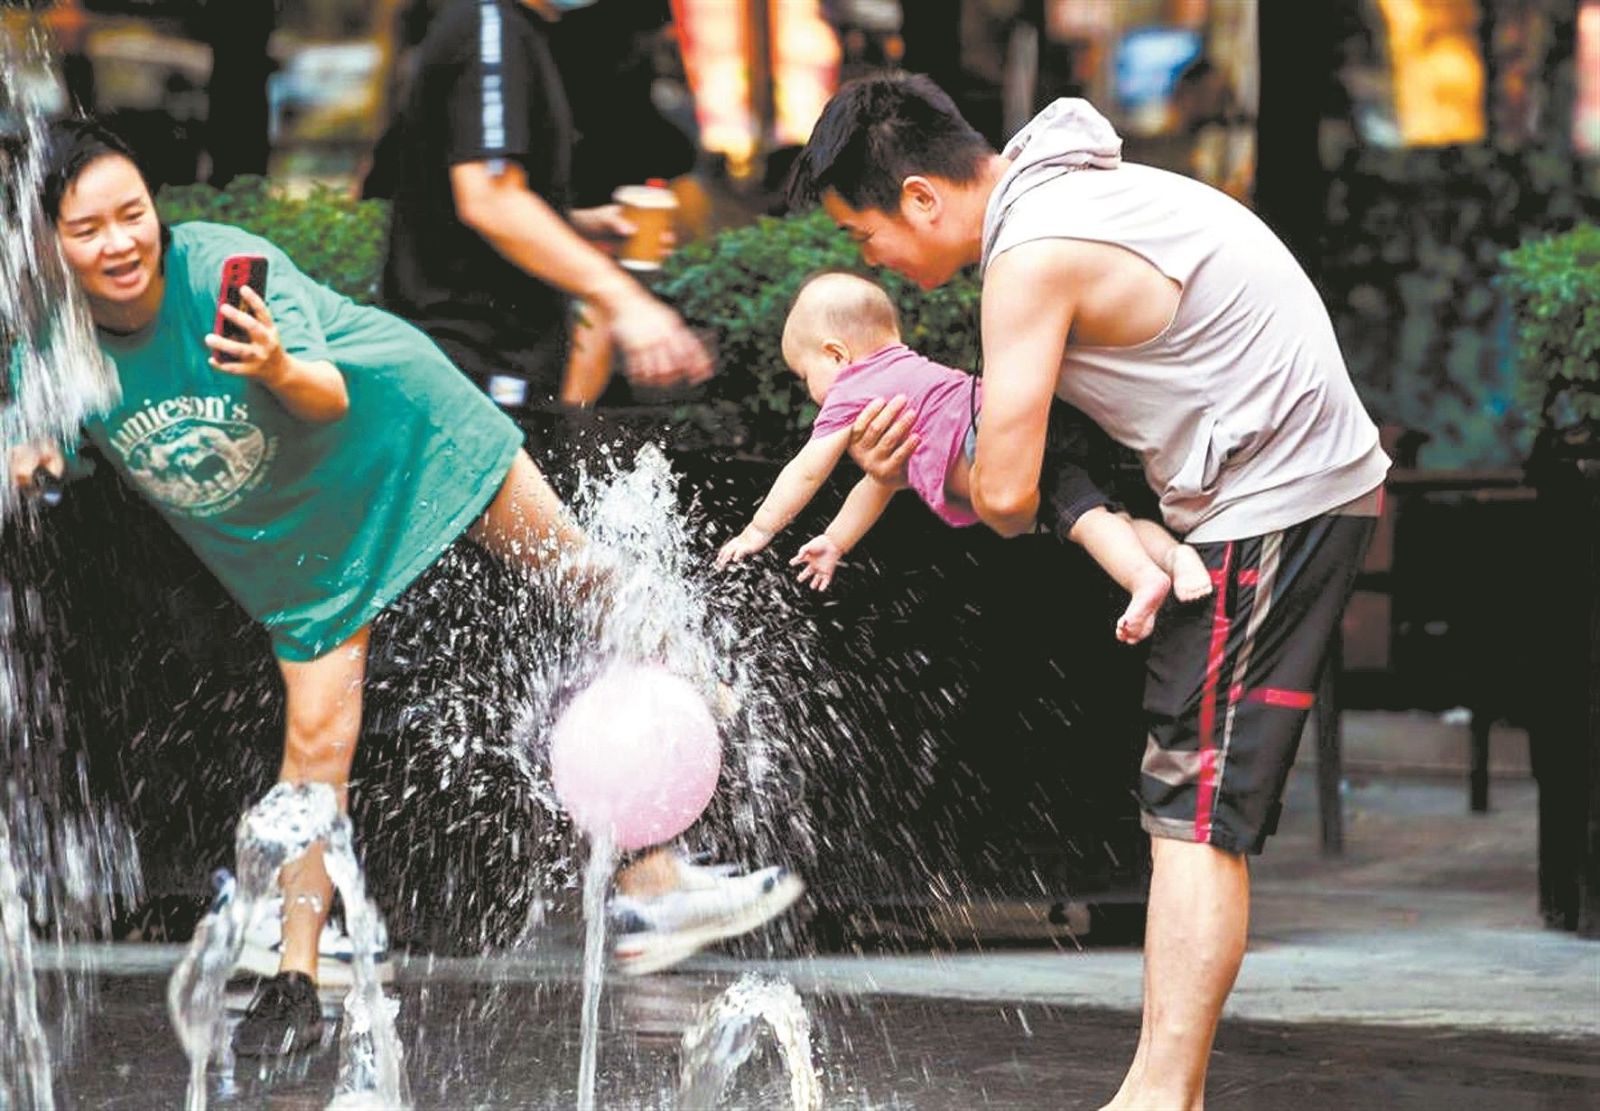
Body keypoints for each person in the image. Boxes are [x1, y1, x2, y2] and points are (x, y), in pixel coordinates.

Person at [12, 118, 798, 1055]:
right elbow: (33, 436)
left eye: (133, 214)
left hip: (409, 424)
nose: (120, 243)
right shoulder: (50, 339)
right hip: (303, 551)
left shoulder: (221, 267)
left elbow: (326, 394)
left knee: (574, 569)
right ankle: (296, 979)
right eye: (88, 228)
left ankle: (705, 676)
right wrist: (26, 453)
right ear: (45, 240)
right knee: (314, 751)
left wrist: (269, 365)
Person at [787, 76, 1390, 1109]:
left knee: (1196, 808)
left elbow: (1012, 492)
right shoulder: (1061, 196)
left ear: (923, 198)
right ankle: (1165, 1092)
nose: (870, 260)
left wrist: (911, 457)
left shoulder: (1029, 254)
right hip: (1259, 493)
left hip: (1278, 498)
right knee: (1184, 799)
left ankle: (1159, 1096)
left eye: (865, 231)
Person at [716, 271, 1211, 644]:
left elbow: (806, 470)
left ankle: (1143, 579)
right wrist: (835, 543)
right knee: (1104, 515)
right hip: (1035, 418)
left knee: (1083, 519)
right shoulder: (907, 373)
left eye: (806, 376)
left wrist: (759, 530)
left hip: (997, 439)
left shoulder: (850, 390)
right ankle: (1174, 557)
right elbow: (880, 483)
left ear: (836, 354)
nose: (811, 393)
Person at [372, 0, 712, 450]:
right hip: (470, 379)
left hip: (489, 382)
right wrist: (626, 301)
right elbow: (489, 198)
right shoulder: (487, 26)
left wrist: (574, 225)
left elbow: (459, 199)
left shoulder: (516, 29)